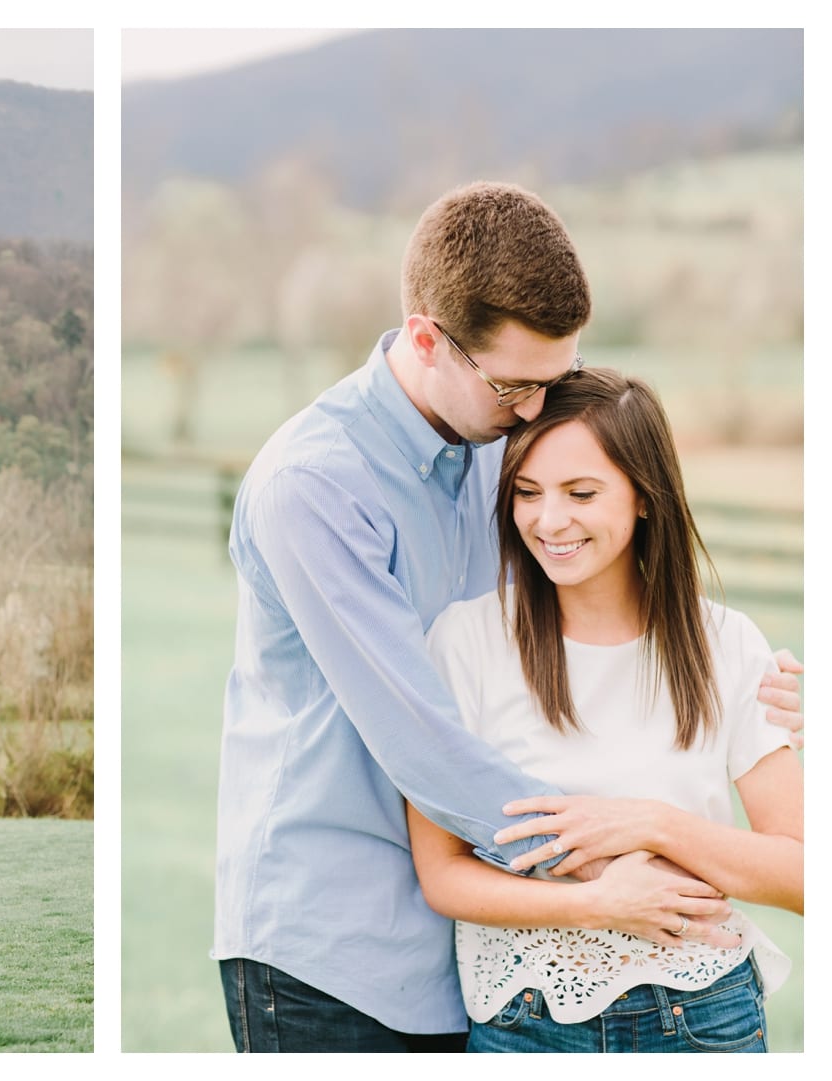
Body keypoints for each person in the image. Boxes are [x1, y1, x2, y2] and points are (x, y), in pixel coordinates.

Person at [211, 181, 805, 1053]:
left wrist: (759, 688)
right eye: (514, 384)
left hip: (480, 965)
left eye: (552, 382)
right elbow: (424, 740)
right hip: (334, 946)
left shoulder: (495, 449)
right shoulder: (315, 484)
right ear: (426, 338)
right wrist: (620, 858)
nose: (534, 411)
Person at [408, 368, 801, 1052]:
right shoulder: (465, 641)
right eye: (527, 493)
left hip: (702, 1017)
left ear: (645, 498)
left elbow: (803, 875)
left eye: (581, 493)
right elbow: (442, 872)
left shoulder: (727, 644)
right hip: (525, 1026)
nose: (548, 520)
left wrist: (651, 823)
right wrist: (592, 904)